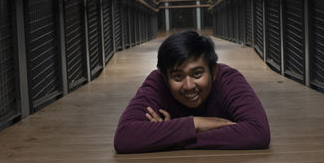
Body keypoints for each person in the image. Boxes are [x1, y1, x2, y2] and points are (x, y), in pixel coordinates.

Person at [113, 31, 270, 153]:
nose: (188, 86)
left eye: (197, 74)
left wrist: (170, 137)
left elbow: (258, 132)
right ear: (165, 77)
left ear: (213, 71)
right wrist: (198, 123)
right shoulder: (157, 83)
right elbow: (124, 137)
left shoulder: (227, 79)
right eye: (178, 76)